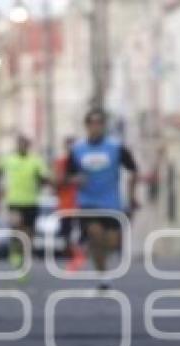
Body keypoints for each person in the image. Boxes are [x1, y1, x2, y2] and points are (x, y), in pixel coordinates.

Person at [66, 108, 138, 290]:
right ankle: (103, 276)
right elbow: (67, 175)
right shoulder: (77, 149)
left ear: (104, 126)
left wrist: (132, 195)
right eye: (92, 123)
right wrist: (75, 179)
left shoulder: (116, 147)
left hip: (111, 202)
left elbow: (133, 169)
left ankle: (98, 257)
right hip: (88, 201)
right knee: (95, 234)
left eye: (99, 123)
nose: (96, 127)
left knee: (112, 241)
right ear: (87, 126)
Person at [0, 134, 49, 271]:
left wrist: (42, 181)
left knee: (28, 234)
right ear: (17, 145)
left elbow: (44, 177)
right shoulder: (8, 159)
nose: (22, 146)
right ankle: (15, 251)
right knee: (16, 227)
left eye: (25, 144)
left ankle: (24, 259)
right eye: (20, 144)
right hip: (14, 200)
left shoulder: (36, 161)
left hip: (31, 201)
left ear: (28, 146)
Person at [54, 136, 86, 271]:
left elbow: (85, 180)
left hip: (82, 204)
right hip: (65, 205)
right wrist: (72, 180)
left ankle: (78, 257)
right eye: (69, 145)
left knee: (83, 233)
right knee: (65, 235)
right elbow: (58, 181)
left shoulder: (82, 161)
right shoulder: (60, 162)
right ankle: (75, 256)